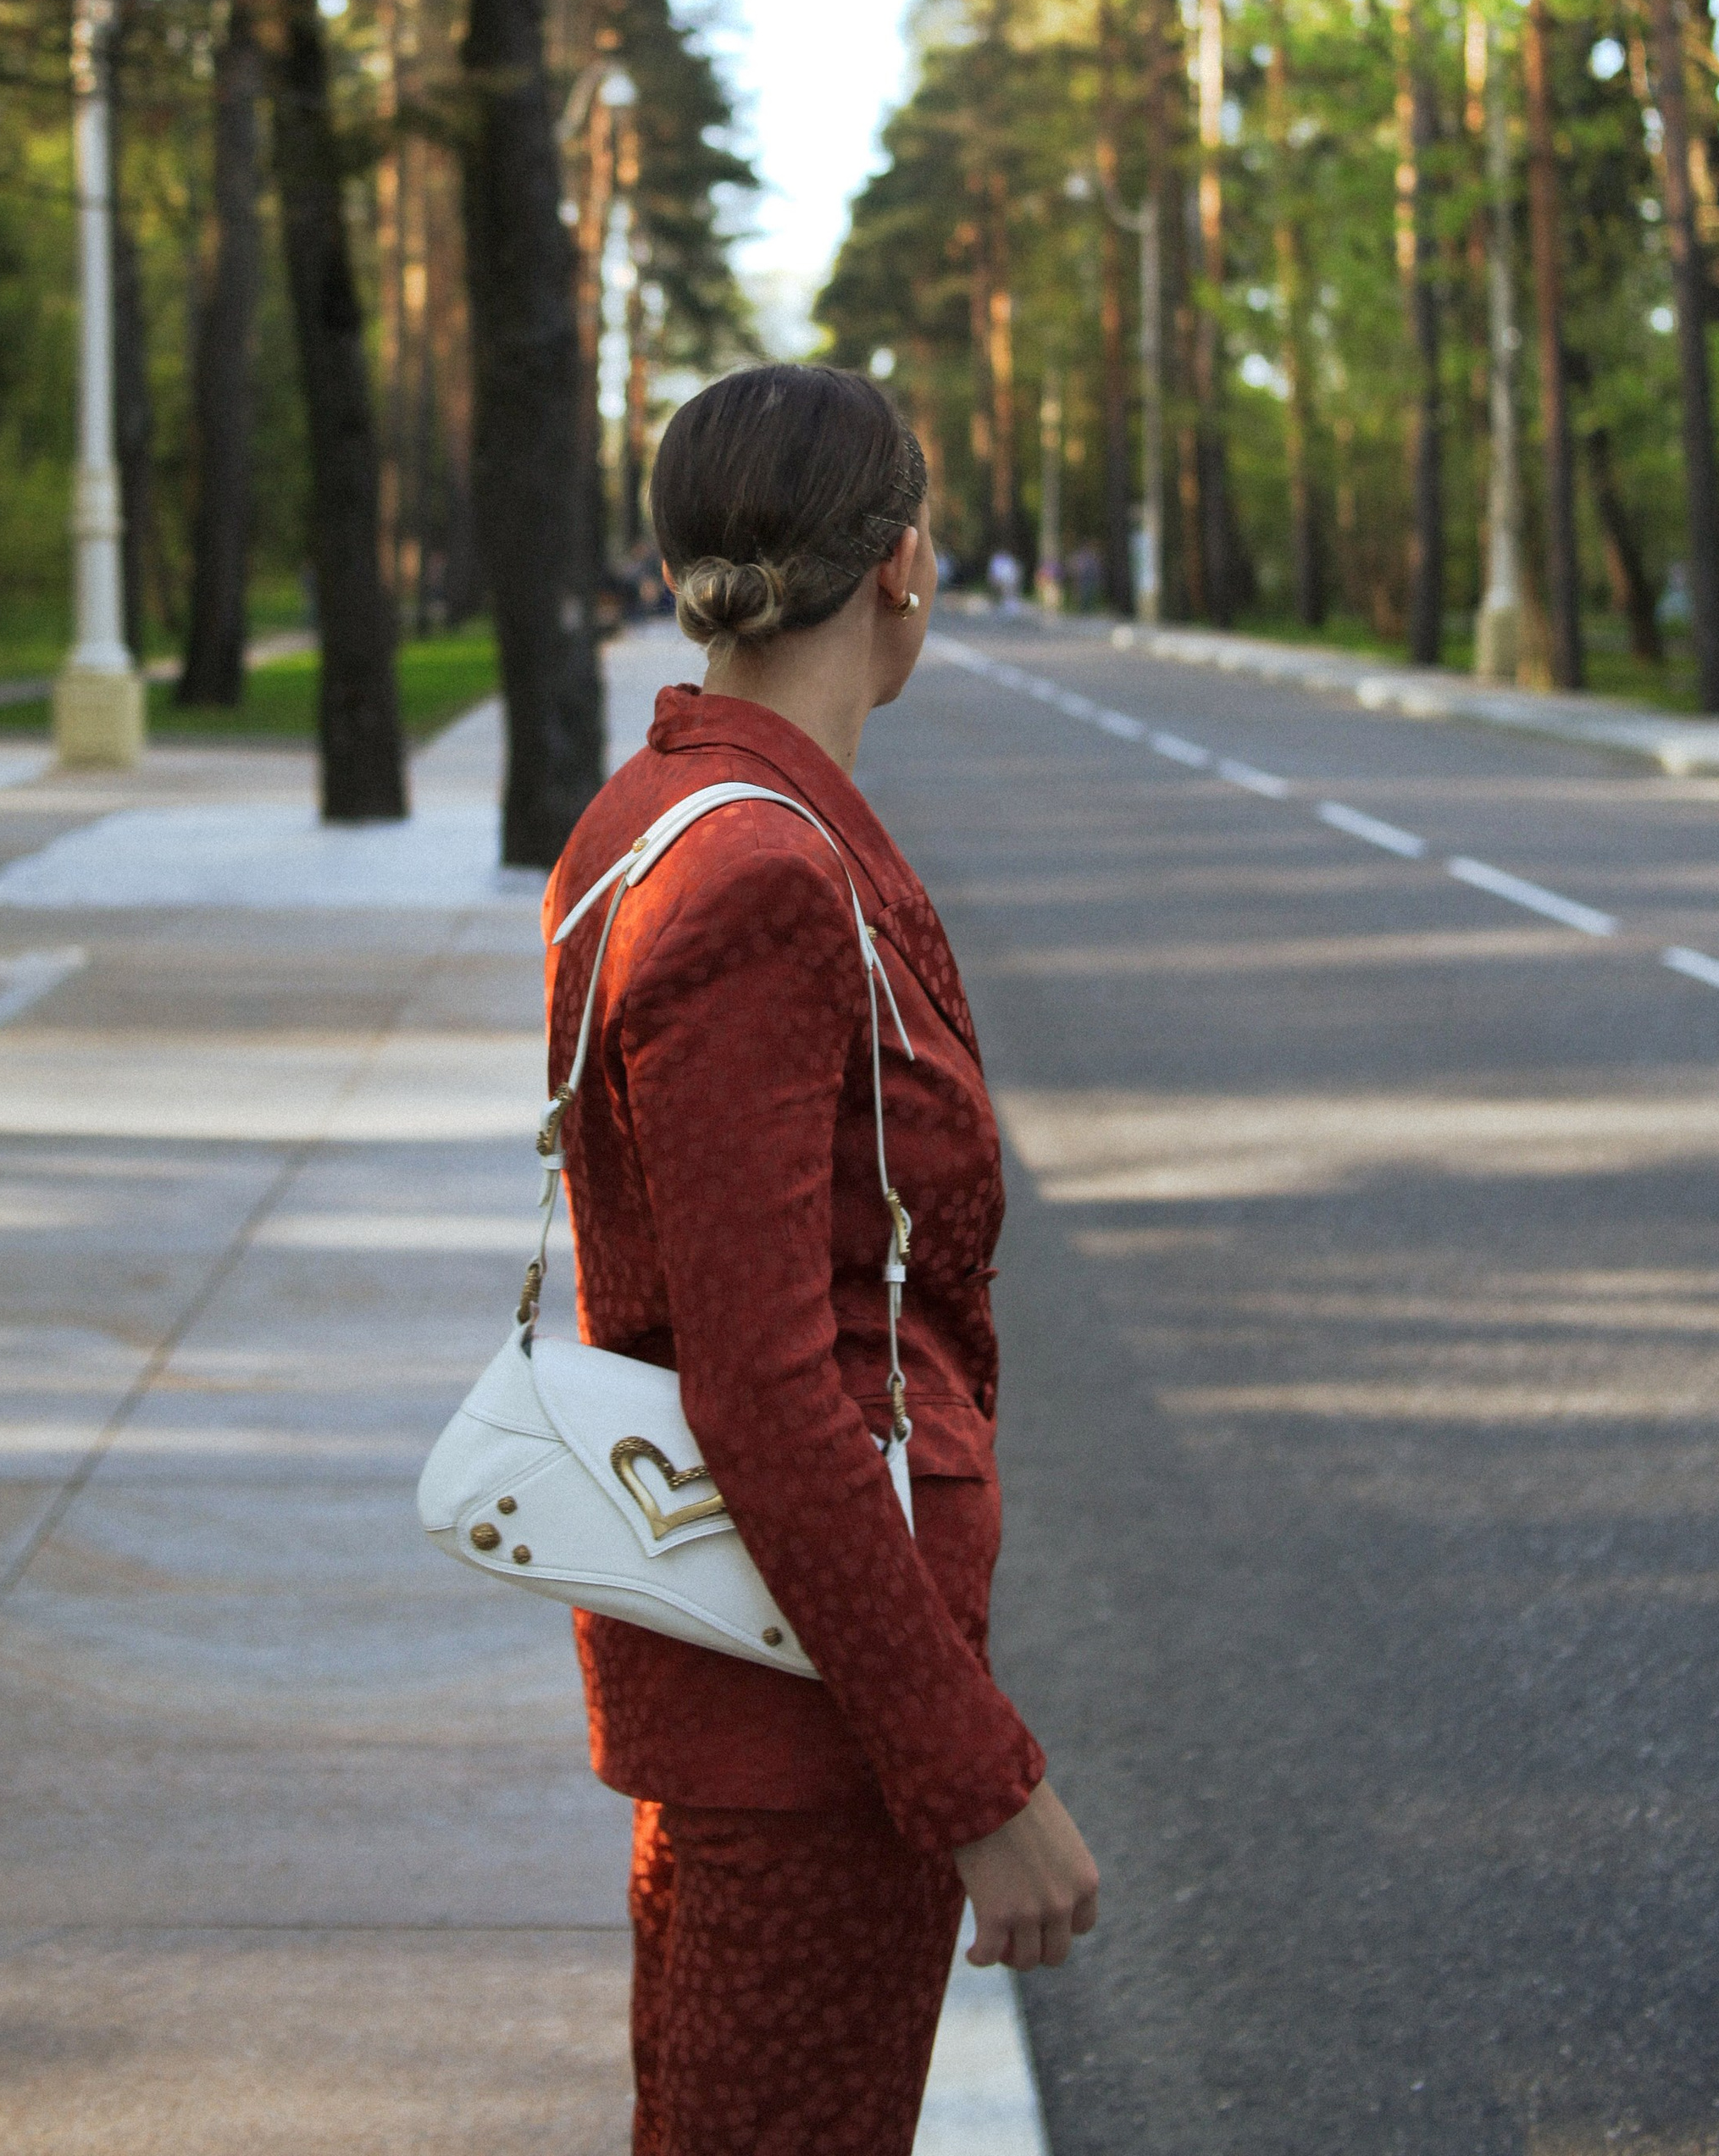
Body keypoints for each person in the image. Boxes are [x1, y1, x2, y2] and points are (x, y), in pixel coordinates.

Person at [544, 363, 1097, 2156]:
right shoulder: (758, 880)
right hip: (803, 1717)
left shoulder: (653, 813)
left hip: (746, 1669)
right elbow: (767, 1387)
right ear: (903, 570)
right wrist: (971, 1776)